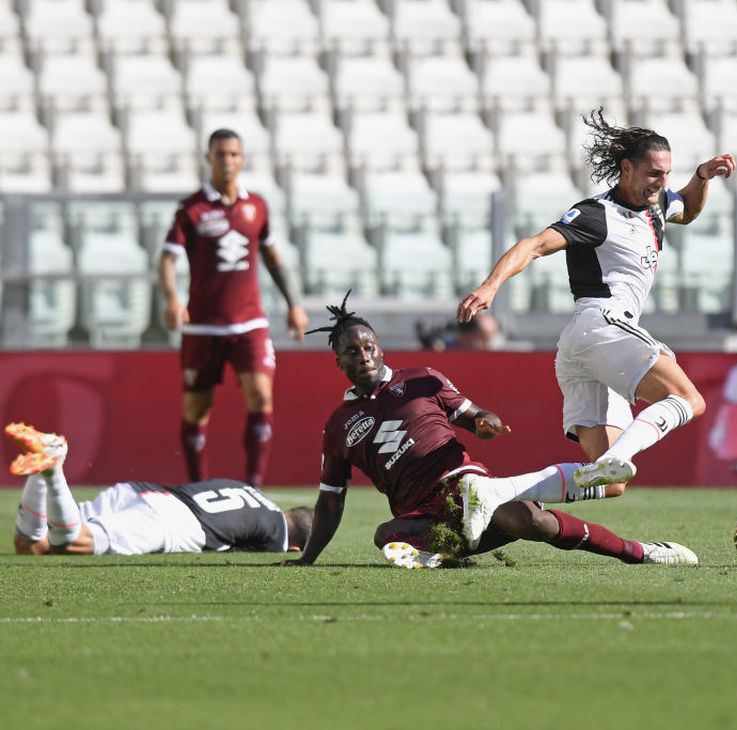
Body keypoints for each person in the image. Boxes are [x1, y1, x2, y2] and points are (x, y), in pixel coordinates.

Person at [280, 292, 698, 569]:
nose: (364, 356)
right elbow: (331, 500)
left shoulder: (422, 379)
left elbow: (474, 415)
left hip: (466, 487)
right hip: (419, 514)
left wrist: (486, 423)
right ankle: (444, 548)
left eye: (369, 346)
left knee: (531, 523)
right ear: (338, 361)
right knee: (385, 535)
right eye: (352, 351)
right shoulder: (338, 426)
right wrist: (308, 559)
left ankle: (638, 552)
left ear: (381, 348)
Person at [457, 109, 735, 498]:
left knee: (612, 482)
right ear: (627, 169)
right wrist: (490, 286)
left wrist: (702, 177)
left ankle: (490, 494)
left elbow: (686, 210)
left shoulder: (655, 204)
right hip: (601, 323)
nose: (661, 182)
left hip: (582, 344)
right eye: (654, 173)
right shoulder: (596, 215)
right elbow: (534, 246)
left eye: (667, 173)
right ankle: (617, 455)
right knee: (688, 399)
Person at [158, 128, 309, 488]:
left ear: (242, 159)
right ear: (209, 158)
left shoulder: (256, 206)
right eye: (220, 154)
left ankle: (253, 489)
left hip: (249, 323)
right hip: (203, 327)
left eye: (233, 154)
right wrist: (173, 298)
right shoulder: (191, 209)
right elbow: (166, 260)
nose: (227, 161)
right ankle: (196, 490)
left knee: (260, 394)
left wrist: (294, 304)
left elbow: (272, 257)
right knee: (197, 410)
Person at [7, 422, 312, 556]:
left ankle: (42, 468)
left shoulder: (250, 492)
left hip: (144, 492)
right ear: (296, 547)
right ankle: (52, 465)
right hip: (169, 522)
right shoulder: (275, 536)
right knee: (70, 543)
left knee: (32, 546)